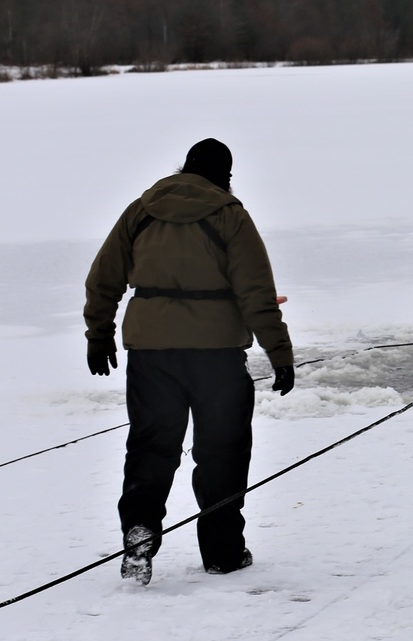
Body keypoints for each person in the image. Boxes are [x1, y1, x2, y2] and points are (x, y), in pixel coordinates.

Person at [84, 138, 295, 585]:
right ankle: (222, 552)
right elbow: (256, 292)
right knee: (222, 450)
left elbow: (104, 276)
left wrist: (98, 333)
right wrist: (279, 352)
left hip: (151, 351)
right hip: (216, 354)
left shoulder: (141, 210)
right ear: (225, 175)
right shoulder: (229, 214)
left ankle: (140, 528)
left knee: (151, 446)